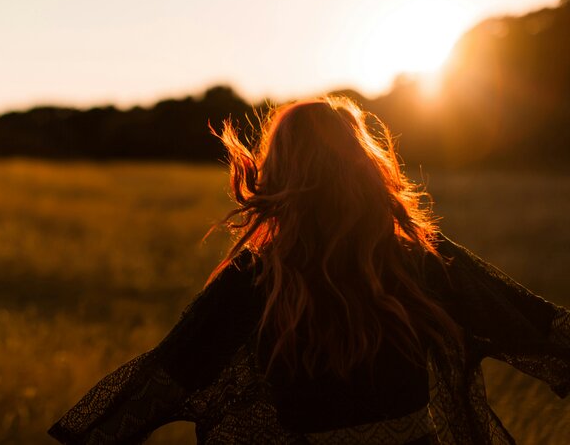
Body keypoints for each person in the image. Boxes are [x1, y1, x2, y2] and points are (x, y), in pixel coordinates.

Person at [48, 96, 569, 444]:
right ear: (364, 167)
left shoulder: (253, 280)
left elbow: (154, 386)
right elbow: (540, 326)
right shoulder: (418, 257)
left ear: (277, 173)